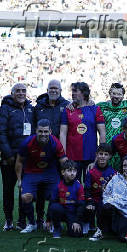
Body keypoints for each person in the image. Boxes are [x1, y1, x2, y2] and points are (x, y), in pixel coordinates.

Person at [15, 119, 68, 233]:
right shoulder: (27, 143)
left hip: (50, 172)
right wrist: (19, 180)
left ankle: (49, 221)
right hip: (31, 172)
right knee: (25, 196)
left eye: (45, 131)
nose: (43, 134)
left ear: (50, 131)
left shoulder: (55, 142)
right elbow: (19, 162)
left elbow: (63, 160)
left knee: (57, 195)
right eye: (40, 131)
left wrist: (67, 177)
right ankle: (32, 223)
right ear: (36, 131)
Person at [33, 80, 70, 228]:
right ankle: (39, 219)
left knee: (58, 187)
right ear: (47, 90)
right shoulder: (39, 107)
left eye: (56, 88)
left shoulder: (66, 105)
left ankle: (52, 219)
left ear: (61, 90)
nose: (53, 90)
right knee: (41, 188)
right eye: (51, 88)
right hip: (41, 153)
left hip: (59, 153)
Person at [0, 83, 34, 230]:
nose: (21, 93)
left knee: (24, 189)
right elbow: (1, 133)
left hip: (26, 158)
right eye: (18, 91)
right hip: (9, 159)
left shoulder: (30, 109)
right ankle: (8, 220)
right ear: (12, 93)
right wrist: (8, 154)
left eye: (23, 91)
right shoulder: (5, 109)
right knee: (8, 190)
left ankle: (21, 220)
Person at [60, 82, 106, 182]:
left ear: (84, 93)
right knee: (72, 188)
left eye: (75, 91)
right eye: (72, 91)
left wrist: (100, 155)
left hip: (91, 157)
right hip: (72, 157)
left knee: (91, 188)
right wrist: (63, 156)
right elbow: (63, 134)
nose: (72, 94)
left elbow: (102, 133)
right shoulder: (67, 110)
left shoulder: (95, 109)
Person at [97, 83, 127, 169]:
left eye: (119, 94)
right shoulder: (101, 106)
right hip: (108, 146)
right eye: (114, 93)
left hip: (123, 145)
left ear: (123, 96)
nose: (116, 96)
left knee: (123, 170)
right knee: (107, 172)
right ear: (109, 93)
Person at [100, 155, 127, 242]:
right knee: (105, 208)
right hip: (115, 208)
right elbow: (106, 194)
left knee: (123, 238)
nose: (126, 168)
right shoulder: (115, 178)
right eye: (124, 166)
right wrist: (108, 203)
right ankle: (104, 231)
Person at [85, 143, 117, 241]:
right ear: (96, 155)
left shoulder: (113, 173)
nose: (103, 156)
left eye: (106, 154)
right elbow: (87, 189)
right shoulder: (91, 172)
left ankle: (105, 227)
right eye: (101, 154)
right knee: (86, 205)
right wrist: (89, 201)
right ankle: (88, 224)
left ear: (110, 156)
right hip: (94, 199)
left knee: (104, 206)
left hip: (106, 201)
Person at [49, 160, 85, 238]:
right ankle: (57, 227)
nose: (72, 173)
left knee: (76, 234)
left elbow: (81, 205)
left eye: (74, 171)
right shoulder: (58, 185)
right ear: (63, 172)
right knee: (55, 207)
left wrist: (76, 221)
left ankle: (72, 225)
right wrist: (48, 220)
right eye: (69, 171)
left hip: (73, 214)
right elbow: (52, 202)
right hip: (62, 211)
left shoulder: (79, 186)